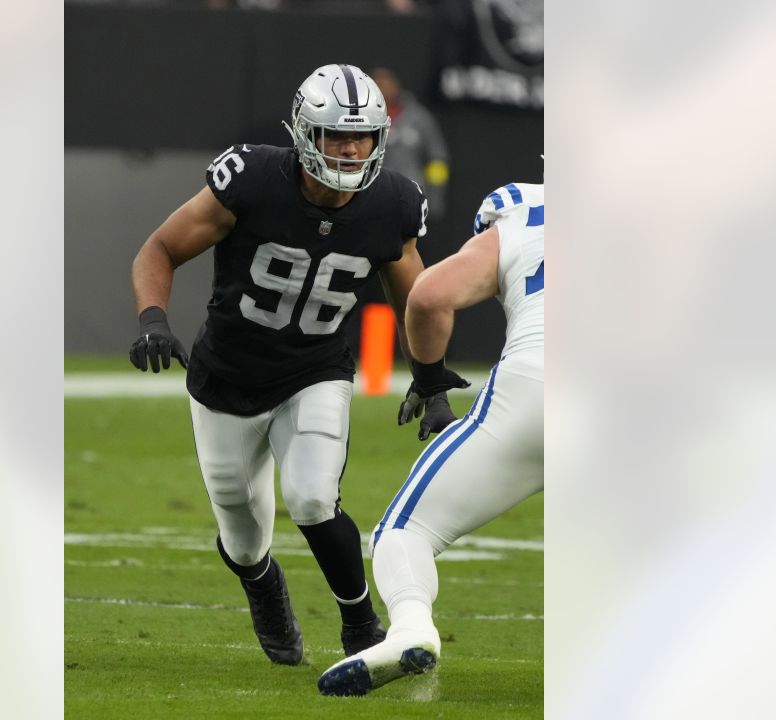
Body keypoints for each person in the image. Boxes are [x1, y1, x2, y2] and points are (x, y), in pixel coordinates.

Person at [128, 63, 465, 666]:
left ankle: (360, 623)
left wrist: (430, 375)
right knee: (242, 531)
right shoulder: (252, 179)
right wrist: (154, 316)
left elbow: (414, 295)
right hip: (226, 376)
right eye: (337, 135)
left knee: (311, 497)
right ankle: (262, 584)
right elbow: (159, 247)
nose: (351, 148)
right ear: (306, 132)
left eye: (361, 136)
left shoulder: (390, 201)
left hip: (315, 369)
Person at [317, 180, 545, 695]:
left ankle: (413, 629)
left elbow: (429, 296)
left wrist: (429, 378)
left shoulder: (525, 209)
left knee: (404, 531)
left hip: (539, 385)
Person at [370, 68, 450, 224]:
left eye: (387, 82)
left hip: (410, 200)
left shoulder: (419, 118)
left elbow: (438, 159)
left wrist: (434, 196)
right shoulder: (361, 117)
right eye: (378, 83)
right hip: (371, 199)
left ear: (397, 85)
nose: (383, 87)